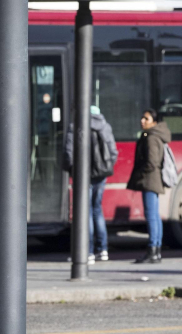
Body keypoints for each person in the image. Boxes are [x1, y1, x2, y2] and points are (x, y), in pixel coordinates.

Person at [64, 105, 117, 262]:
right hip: (101, 175)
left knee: (84, 212)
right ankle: (103, 250)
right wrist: (105, 167)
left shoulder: (75, 127)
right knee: (97, 210)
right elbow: (113, 152)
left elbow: (68, 153)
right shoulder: (105, 126)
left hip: (83, 175)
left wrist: (73, 170)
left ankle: (88, 252)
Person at [127, 109, 171, 264]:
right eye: (142, 117)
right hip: (153, 179)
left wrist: (142, 174)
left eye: (146, 118)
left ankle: (153, 250)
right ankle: (156, 251)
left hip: (149, 180)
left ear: (154, 122)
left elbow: (151, 162)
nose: (142, 121)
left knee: (151, 215)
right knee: (154, 215)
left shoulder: (151, 138)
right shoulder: (155, 135)